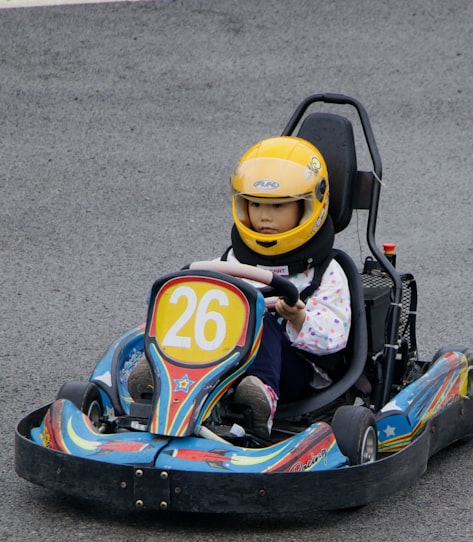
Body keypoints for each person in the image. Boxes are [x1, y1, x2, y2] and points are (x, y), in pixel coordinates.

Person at [131, 135, 351, 437]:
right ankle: (158, 380)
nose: (264, 215)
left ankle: (260, 400)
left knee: (261, 318)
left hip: (297, 372)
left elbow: (336, 336)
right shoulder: (232, 259)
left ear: (308, 207)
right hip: (229, 361)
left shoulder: (327, 271)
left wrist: (298, 318)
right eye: (256, 204)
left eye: (278, 206)